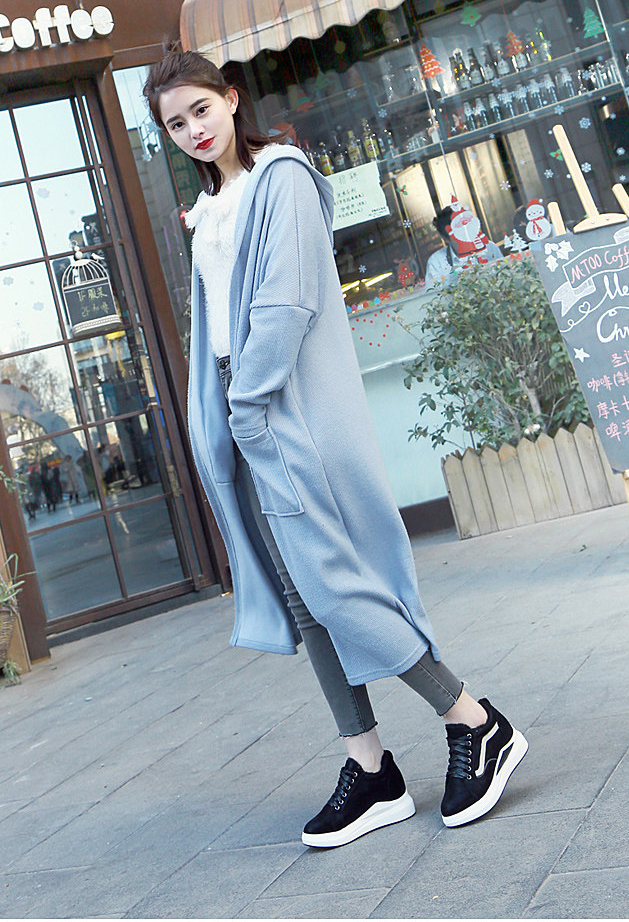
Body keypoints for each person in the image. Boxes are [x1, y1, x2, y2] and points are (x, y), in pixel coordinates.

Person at [144, 49, 527, 848]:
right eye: (175, 124)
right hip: (246, 410)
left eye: (201, 110)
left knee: (335, 586)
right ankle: (372, 766)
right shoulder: (208, 210)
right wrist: (225, 415)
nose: (193, 131)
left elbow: (285, 304)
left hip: (276, 406)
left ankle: (475, 719)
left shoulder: (279, 178)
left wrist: (247, 405)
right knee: (303, 599)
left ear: (231, 98)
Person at [424, 199, 503, 288]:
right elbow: (434, 293)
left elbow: (504, 277)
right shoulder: (437, 263)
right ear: (446, 239)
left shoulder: (489, 248)